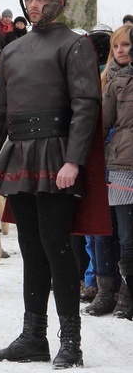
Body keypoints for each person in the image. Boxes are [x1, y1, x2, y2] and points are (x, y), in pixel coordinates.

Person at [0, 0, 103, 368]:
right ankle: (33, 337)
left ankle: (71, 342)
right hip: (19, 153)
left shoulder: (75, 45)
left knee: (57, 248)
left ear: (58, 2)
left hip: (55, 153)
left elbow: (85, 106)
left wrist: (73, 160)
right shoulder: (12, 50)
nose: (34, 5)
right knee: (30, 249)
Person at [102, 27, 133, 321]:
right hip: (122, 167)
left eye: (126, 45)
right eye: (116, 46)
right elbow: (102, 123)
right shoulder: (111, 83)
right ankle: (125, 295)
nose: (121, 50)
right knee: (125, 237)